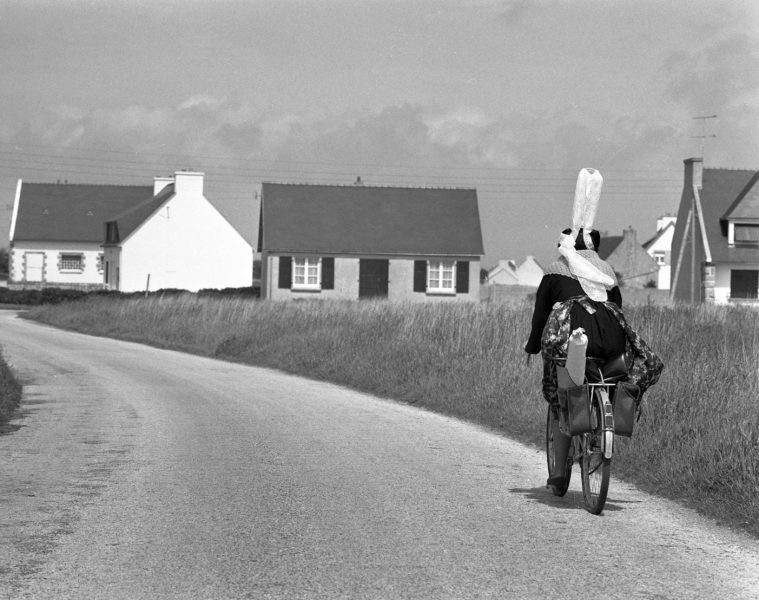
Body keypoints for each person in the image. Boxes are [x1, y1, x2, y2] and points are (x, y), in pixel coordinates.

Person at [524, 168, 627, 489]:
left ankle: (558, 476)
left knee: (563, 403)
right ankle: (602, 427)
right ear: (594, 247)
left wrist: (532, 348)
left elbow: (541, 317)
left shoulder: (556, 270)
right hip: (609, 347)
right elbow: (618, 312)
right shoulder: (607, 270)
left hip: (573, 350)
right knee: (604, 386)